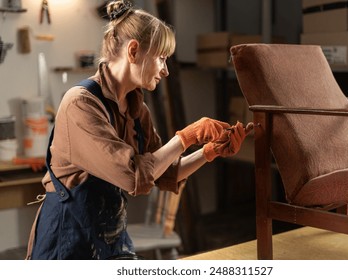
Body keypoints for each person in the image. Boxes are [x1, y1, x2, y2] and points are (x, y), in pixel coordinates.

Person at [26, 0, 251, 260]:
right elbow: (132, 176)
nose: (165, 70)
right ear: (134, 51)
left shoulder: (136, 109)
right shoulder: (81, 103)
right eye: (162, 58)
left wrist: (209, 152)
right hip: (67, 241)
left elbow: (162, 172)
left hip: (109, 238)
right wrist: (186, 137)